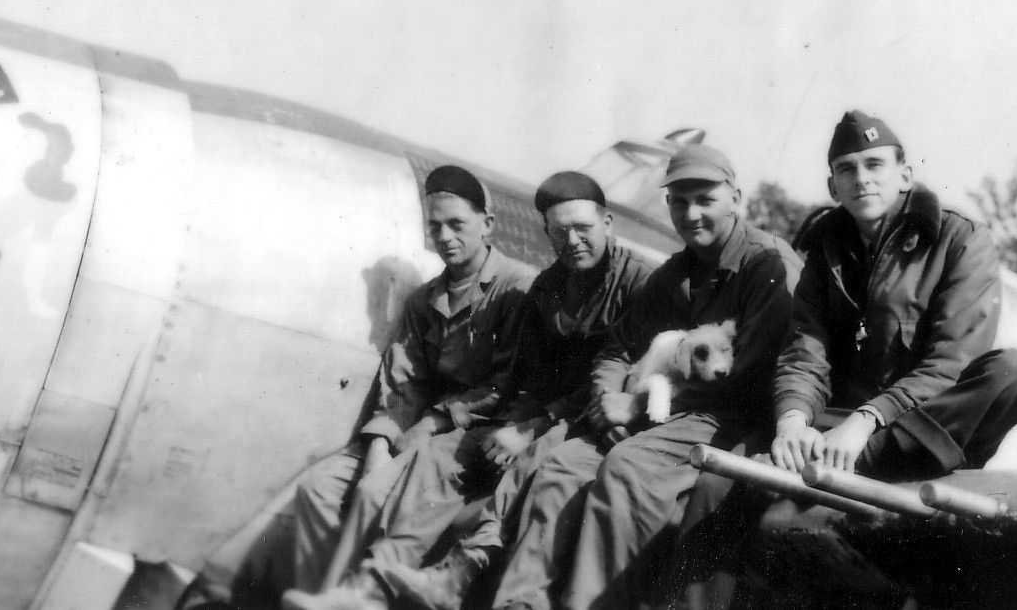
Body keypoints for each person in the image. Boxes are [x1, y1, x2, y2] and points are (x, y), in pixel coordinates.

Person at [490, 144, 799, 610]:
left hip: (731, 418)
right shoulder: (675, 274)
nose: (690, 214)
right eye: (679, 201)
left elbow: (745, 377)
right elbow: (618, 348)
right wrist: (607, 398)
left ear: (736, 199)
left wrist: (634, 406)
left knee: (627, 470)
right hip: (665, 411)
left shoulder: (768, 264)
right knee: (562, 466)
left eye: (705, 199)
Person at [359, 172, 652, 610]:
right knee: (441, 455)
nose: (572, 241)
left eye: (583, 228)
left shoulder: (642, 284)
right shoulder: (547, 288)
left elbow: (622, 373)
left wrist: (532, 428)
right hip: (541, 414)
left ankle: (466, 571)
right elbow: (528, 376)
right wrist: (512, 424)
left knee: (543, 465)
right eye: (559, 232)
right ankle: (372, 587)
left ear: (607, 224)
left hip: (596, 419)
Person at [271, 164, 534, 609]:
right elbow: (402, 382)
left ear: (488, 224)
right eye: (435, 227)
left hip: (468, 437)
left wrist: (430, 424)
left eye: (457, 224)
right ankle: (323, 593)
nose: (445, 237)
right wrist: (379, 443)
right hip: (415, 431)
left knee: (373, 493)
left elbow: (505, 387)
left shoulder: (516, 290)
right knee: (320, 488)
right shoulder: (425, 300)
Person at [771, 111, 1017, 482]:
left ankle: (867, 462)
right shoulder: (823, 247)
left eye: (874, 164)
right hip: (838, 424)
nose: (861, 178)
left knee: (1014, 373)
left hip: (914, 426)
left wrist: (868, 419)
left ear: (905, 176)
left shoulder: (959, 239)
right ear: (833, 188)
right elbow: (806, 352)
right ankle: (843, 461)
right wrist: (792, 421)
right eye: (847, 169)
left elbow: (952, 361)